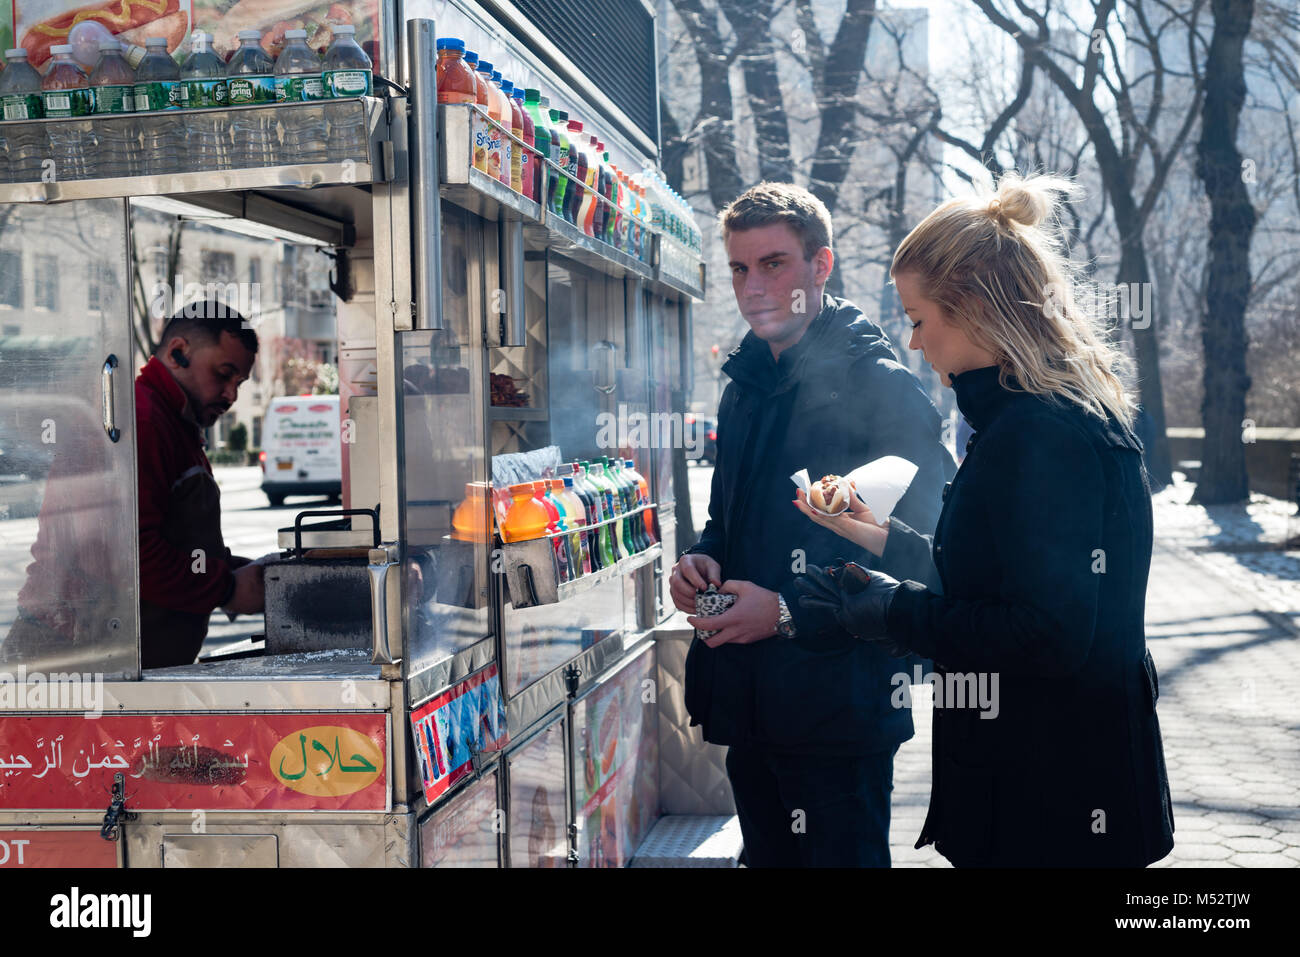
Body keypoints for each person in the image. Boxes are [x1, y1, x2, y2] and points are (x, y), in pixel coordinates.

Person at [792, 174, 1176, 867]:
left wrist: (890, 610)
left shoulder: (1038, 432)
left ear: (971, 308)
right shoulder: (1039, 415)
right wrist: (879, 539)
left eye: (918, 317)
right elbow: (999, 578)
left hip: (1050, 803)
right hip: (1060, 786)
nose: (913, 341)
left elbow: (1046, 634)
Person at [670, 182, 956, 867]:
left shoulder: (880, 385)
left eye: (774, 264)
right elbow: (727, 523)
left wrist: (790, 610)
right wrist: (702, 561)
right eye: (739, 268)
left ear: (820, 266)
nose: (752, 286)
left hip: (839, 715)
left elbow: (933, 559)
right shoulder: (743, 388)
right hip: (752, 707)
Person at [134, 306, 265, 667]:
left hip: (140, 668)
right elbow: (133, 557)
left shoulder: (176, 423)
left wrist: (242, 571)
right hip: (95, 670)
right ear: (179, 352)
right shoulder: (143, 420)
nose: (231, 395)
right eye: (224, 375)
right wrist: (228, 588)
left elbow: (180, 546)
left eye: (239, 383)